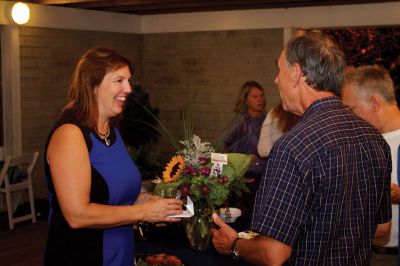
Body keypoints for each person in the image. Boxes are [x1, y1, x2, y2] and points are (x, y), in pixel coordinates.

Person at [211, 34, 392, 265]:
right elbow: (383, 231)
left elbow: (273, 253)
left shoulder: (293, 146)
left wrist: (233, 245)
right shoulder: (374, 139)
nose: (276, 80)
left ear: (295, 73)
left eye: (279, 70)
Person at [44, 46, 183, 266]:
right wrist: (143, 211)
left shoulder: (111, 130)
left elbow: (114, 194)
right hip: (82, 255)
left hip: (120, 252)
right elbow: (77, 215)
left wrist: (153, 202)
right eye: (119, 80)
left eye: (128, 80)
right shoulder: (70, 134)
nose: (128, 88)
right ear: (93, 84)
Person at [341, 65, 400, 266]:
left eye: (350, 110)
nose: (347, 118)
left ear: (374, 103)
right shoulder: (360, 144)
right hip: (368, 254)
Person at [223, 80, 266, 177]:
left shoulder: (267, 118)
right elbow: (224, 146)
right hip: (245, 175)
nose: (259, 99)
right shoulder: (240, 122)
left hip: (263, 173)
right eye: (255, 97)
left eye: (261, 95)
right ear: (246, 100)